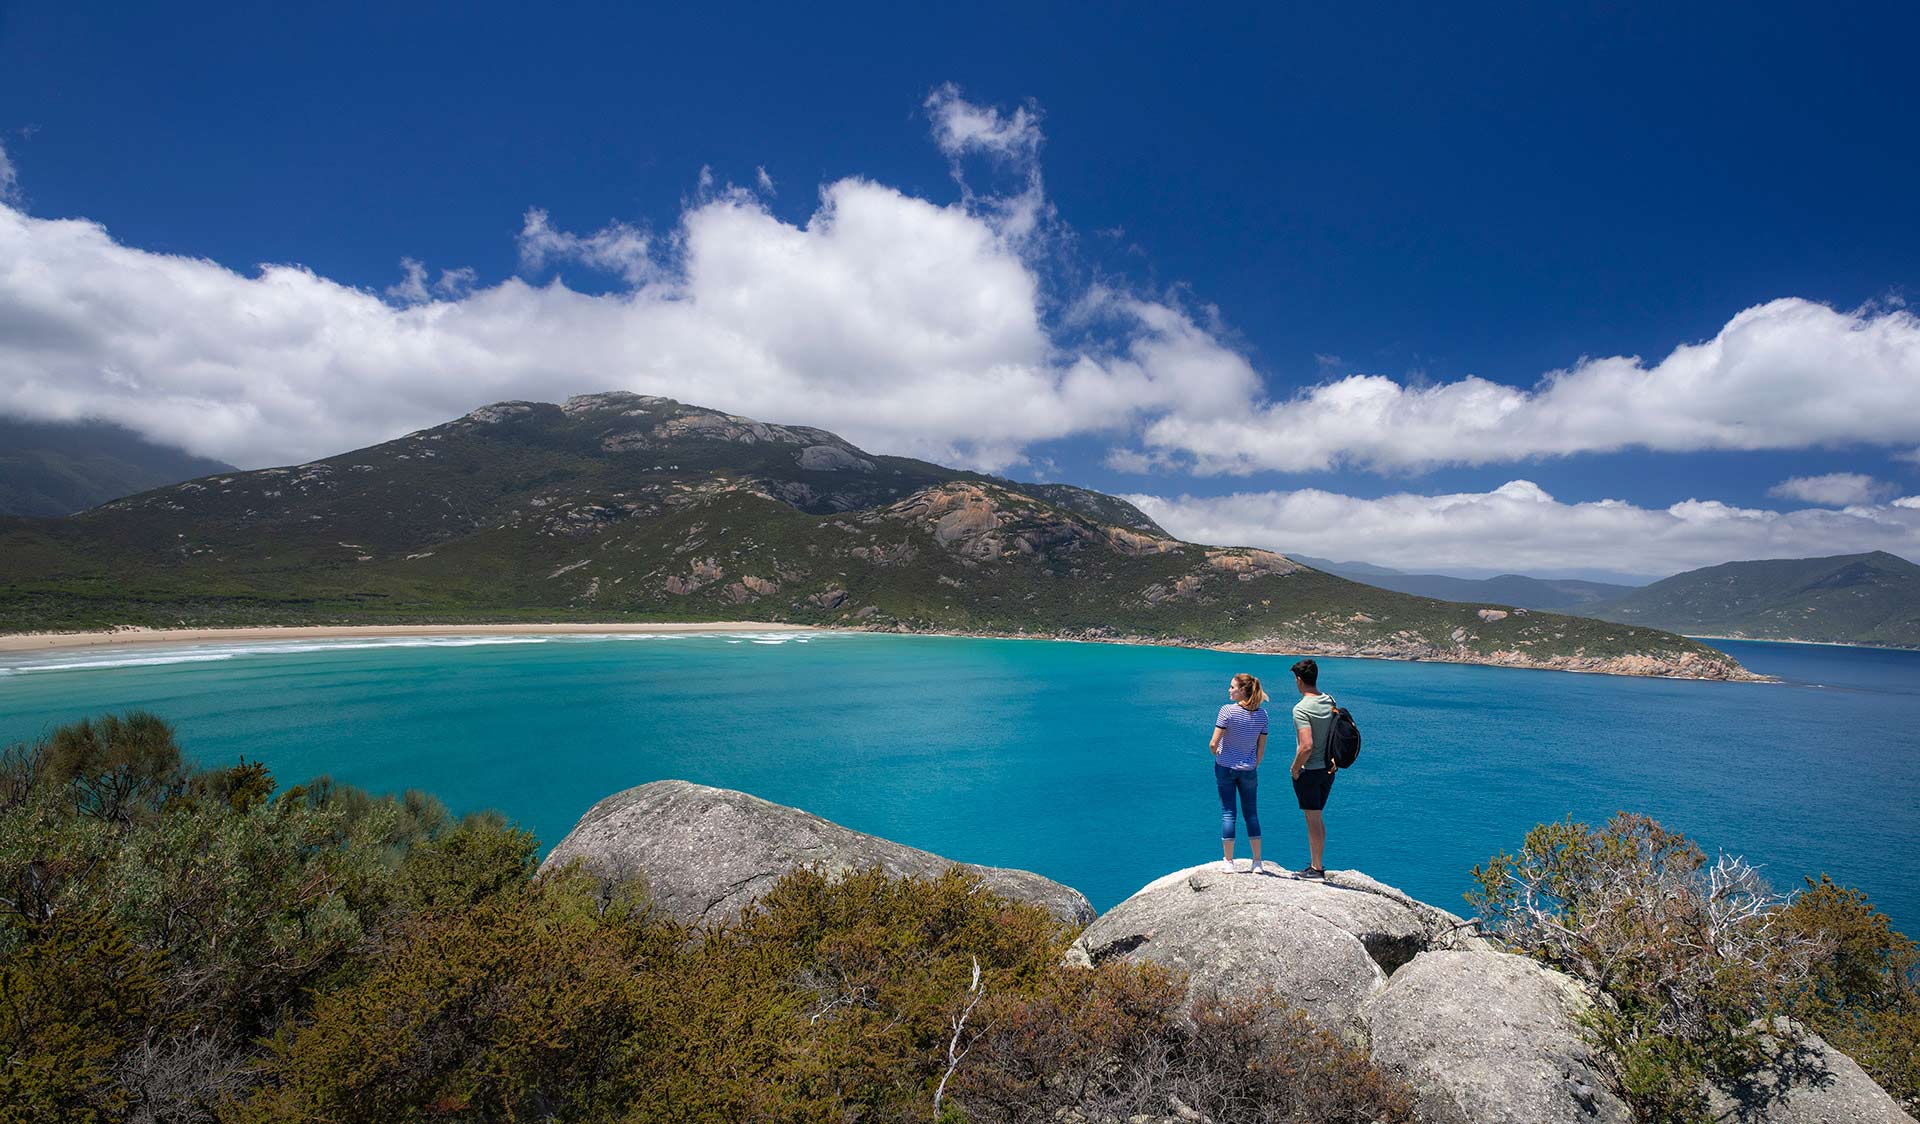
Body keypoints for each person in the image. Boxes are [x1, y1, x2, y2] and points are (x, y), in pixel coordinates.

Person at [1209, 672, 1269, 873]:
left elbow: (1213, 743)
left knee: (1228, 813)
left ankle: (1228, 862)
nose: (1229, 690)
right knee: (1251, 814)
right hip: (1249, 769)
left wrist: (1217, 753)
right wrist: (1254, 764)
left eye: (1232, 687)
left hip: (1225, 767)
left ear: (1243, 690)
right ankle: (1257, 862)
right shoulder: (1263, 715)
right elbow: (1261, 749)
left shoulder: (1227, 711)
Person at [1287, 658, 1337, 879]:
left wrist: (1295, 768)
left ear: (1299, 680)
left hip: (1311, 769)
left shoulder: (1301, 709)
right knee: (1317, 816)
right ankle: (1317, 862)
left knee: (1312, 818)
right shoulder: (1329, 700)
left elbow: (1306, 745)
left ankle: (1316, 868)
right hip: (1329, 768)